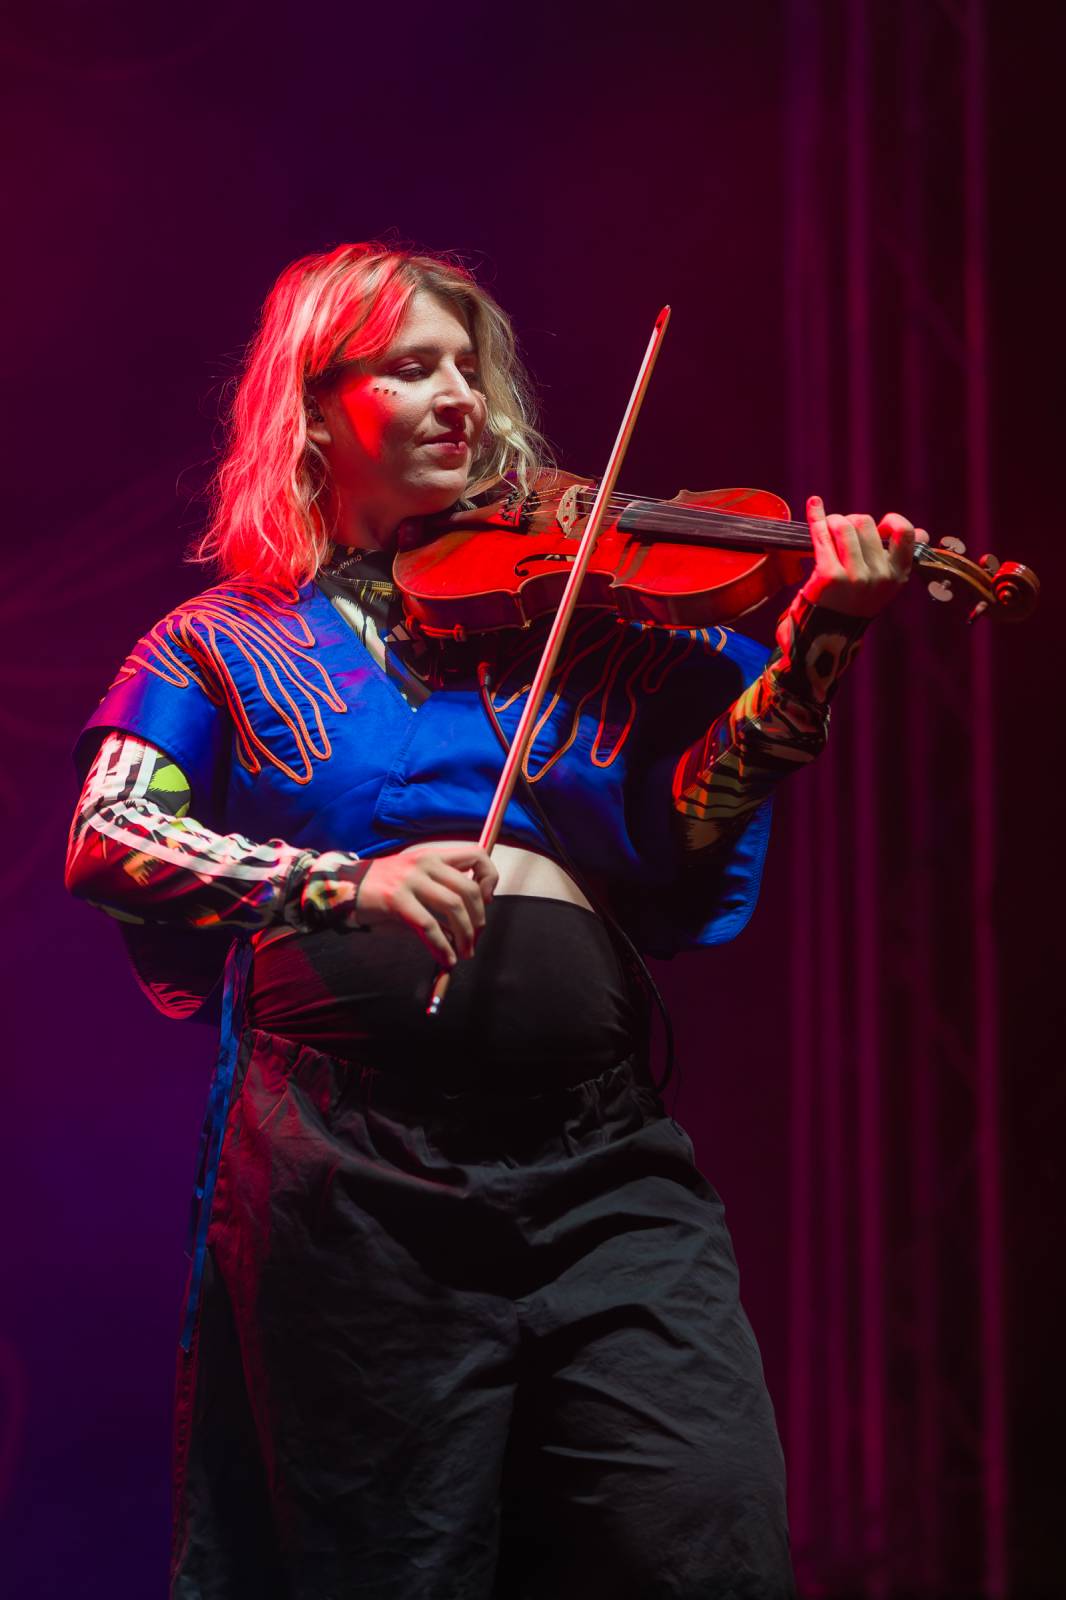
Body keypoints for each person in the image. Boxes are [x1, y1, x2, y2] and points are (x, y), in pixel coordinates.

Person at [66, 242, 925, 1600]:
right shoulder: (214, 642)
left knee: (707, 1536)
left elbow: (693, 817)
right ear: (312, 407)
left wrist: (819, 640)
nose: (461, 395)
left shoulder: (577, 619)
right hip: (350, 1181)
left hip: (601, 1162)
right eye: (414, 366)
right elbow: (109, 835)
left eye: (471, 365)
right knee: (387, 1564)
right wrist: (340, 883)